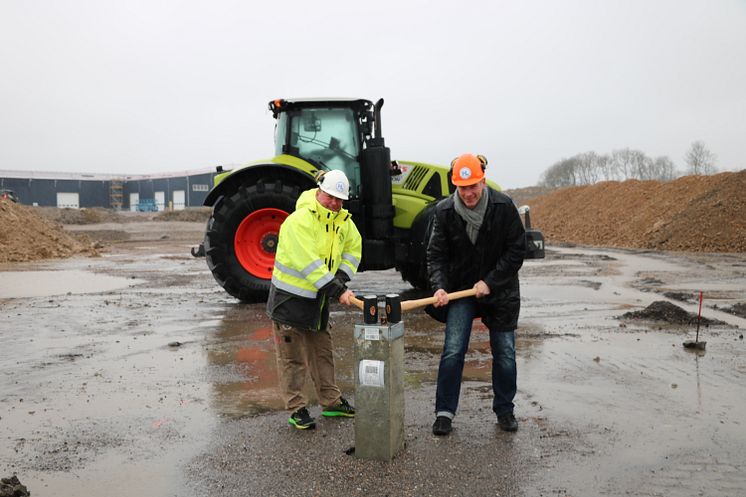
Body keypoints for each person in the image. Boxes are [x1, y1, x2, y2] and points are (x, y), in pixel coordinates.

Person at [426, 153, 526, 435]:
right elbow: (436, 255)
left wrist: (491, 281)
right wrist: (439, 286)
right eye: (462, 188)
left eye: (473, 187)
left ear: (482, 181)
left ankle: (505, 410)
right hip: (461, 291)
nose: (468, 193)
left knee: (505, 352)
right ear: (455, 186)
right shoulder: (444, 212)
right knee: (453, 350)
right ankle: (444, 412)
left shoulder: (503, 206)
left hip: (500, 290)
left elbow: (517, 249)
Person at [266, 169, 362, 430]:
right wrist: (338, 290)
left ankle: (331, 402)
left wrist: (340, 279)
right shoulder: (299, 221)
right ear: (319, 192)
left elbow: (354, 249)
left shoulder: (344, 222)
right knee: (292, 358)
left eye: (339, 199)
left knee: (323, 354)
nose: (334, 203)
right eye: (330, 196)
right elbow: (310, 264)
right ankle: (297, 408)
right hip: (290, 302)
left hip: (317, 302)